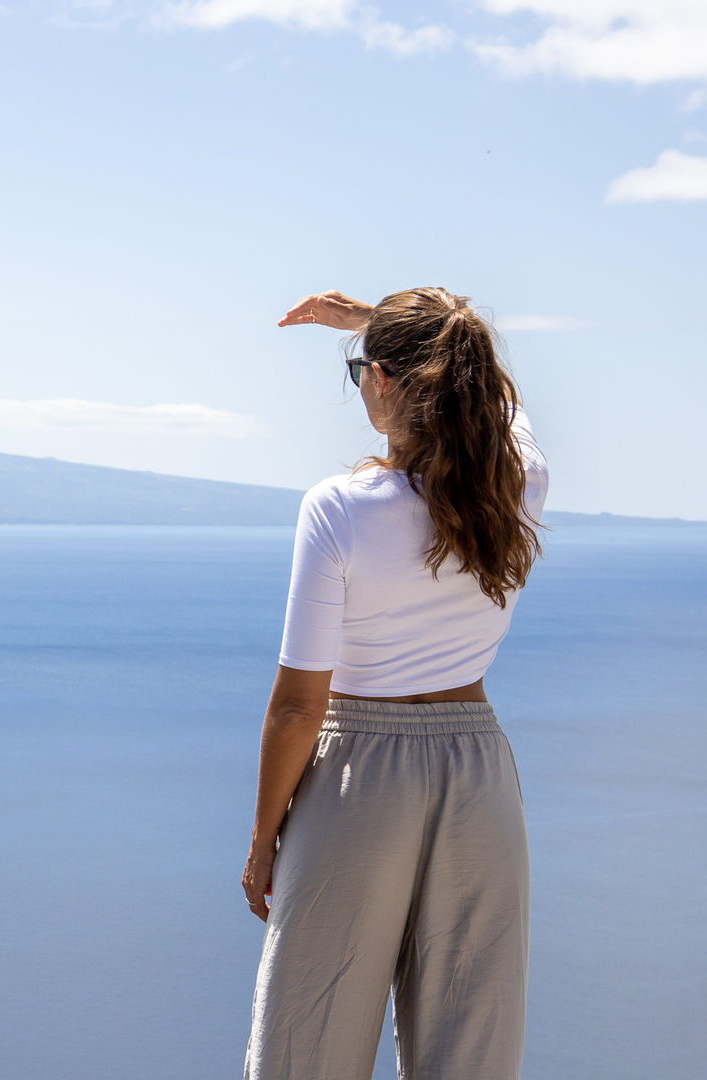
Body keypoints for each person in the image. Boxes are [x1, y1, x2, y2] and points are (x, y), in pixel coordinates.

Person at [240, 287, 549, 1079]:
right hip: (479, 776)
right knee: (471, 1047)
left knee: (308, 1044)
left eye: (361, 374)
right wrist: (379, 326)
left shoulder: (340, 510)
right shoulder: (517, 484)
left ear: (382, 381)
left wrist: (262, 838)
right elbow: (501, 405)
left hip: (358, 782)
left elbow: (300, 704)